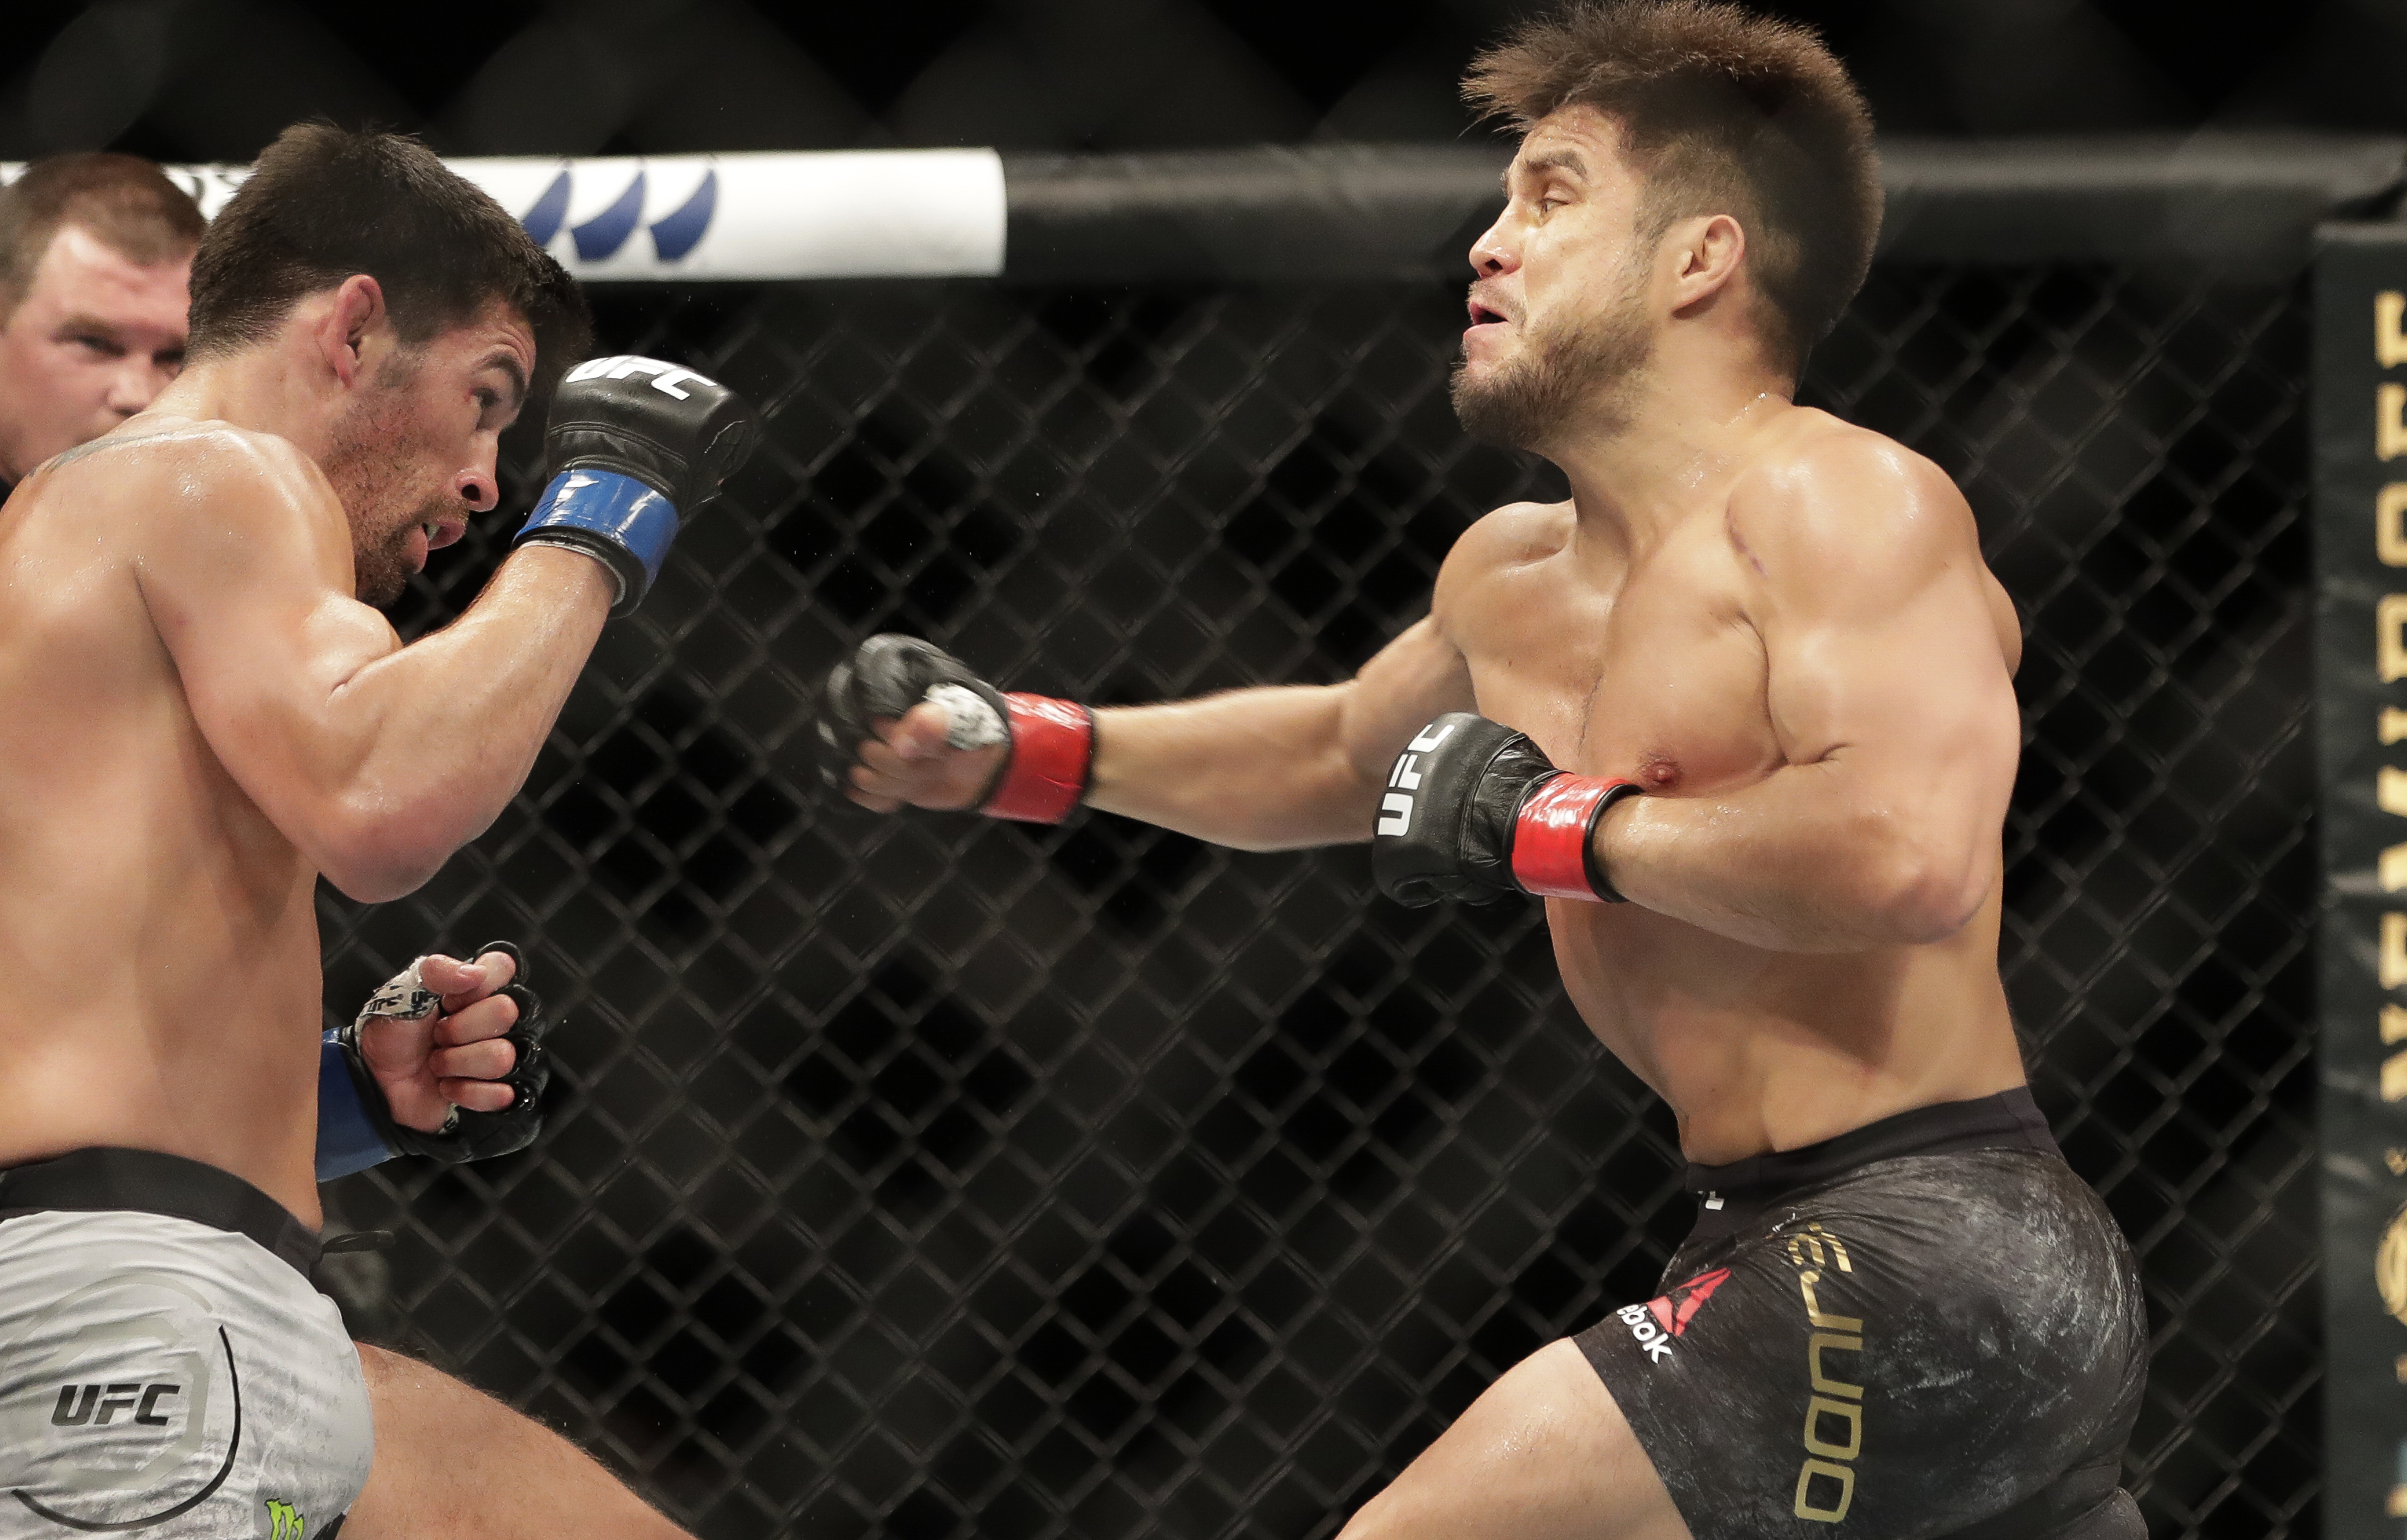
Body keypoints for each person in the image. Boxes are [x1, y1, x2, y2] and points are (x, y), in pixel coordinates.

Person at [824, 3, 2148, 1538]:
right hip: (1768, 1236)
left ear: (1700, 258)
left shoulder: (1839, 500)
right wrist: (1022, 748)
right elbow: (1339, 753)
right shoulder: (1509, 579)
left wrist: (1559, 826)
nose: (1489, 242)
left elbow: (1907, 857)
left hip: (1936, 1238)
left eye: (1552, 196)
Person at [0, 122, 751, 1539]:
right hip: (134, 1317)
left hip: (140, 1298)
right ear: (353, 330)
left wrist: (347, 1095)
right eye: (485, 399)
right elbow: (380, 801)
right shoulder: (213, 470)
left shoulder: (70, 567)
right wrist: (604, 511)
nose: (486, 478)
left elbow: (69, 1022)